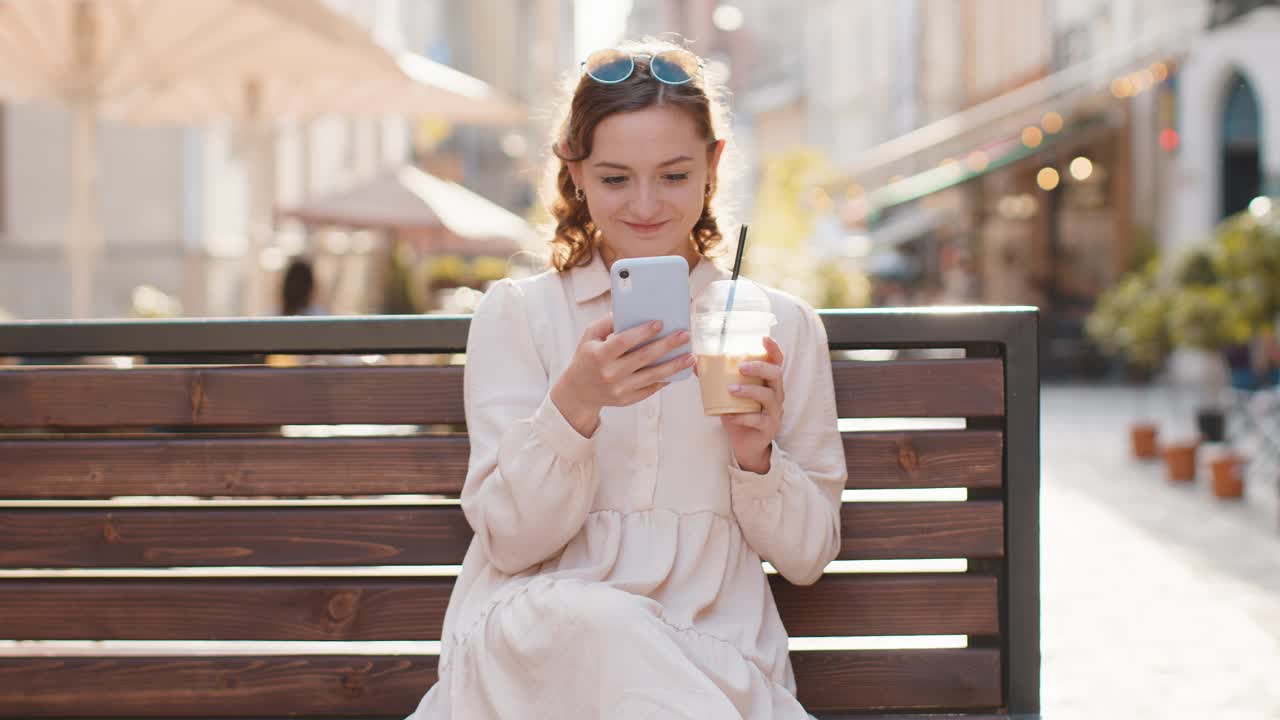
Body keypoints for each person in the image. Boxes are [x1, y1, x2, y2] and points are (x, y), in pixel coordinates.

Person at [407, 39, 846, 719]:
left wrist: (756, 457)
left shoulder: (779, 325)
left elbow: (808, 556)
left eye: (673, 175)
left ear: (714, 167)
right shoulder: (520, 316)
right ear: (575, 173)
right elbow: (509, 540)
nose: (645, 205)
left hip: (712, 652)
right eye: (615, 178)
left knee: (627, 652)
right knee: (585, 620)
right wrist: (573, 406)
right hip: (539, 647)